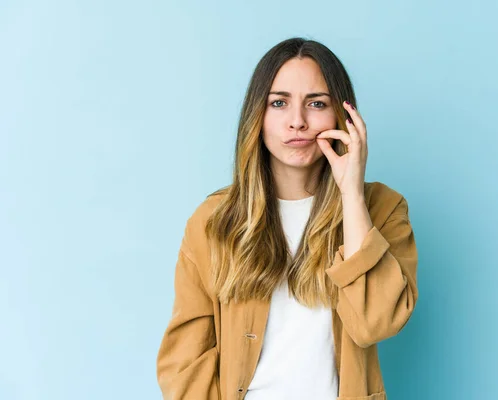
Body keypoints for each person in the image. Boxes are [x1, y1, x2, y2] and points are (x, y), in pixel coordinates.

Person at [156, 37, 419, 400]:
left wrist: (352, 195)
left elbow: (376, 322)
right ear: (257, 117)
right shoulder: (212, 222)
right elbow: (185, 360)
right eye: (279, 103)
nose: (297, 121)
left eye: (317, 103)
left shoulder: (383, 208)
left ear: (344, 117)